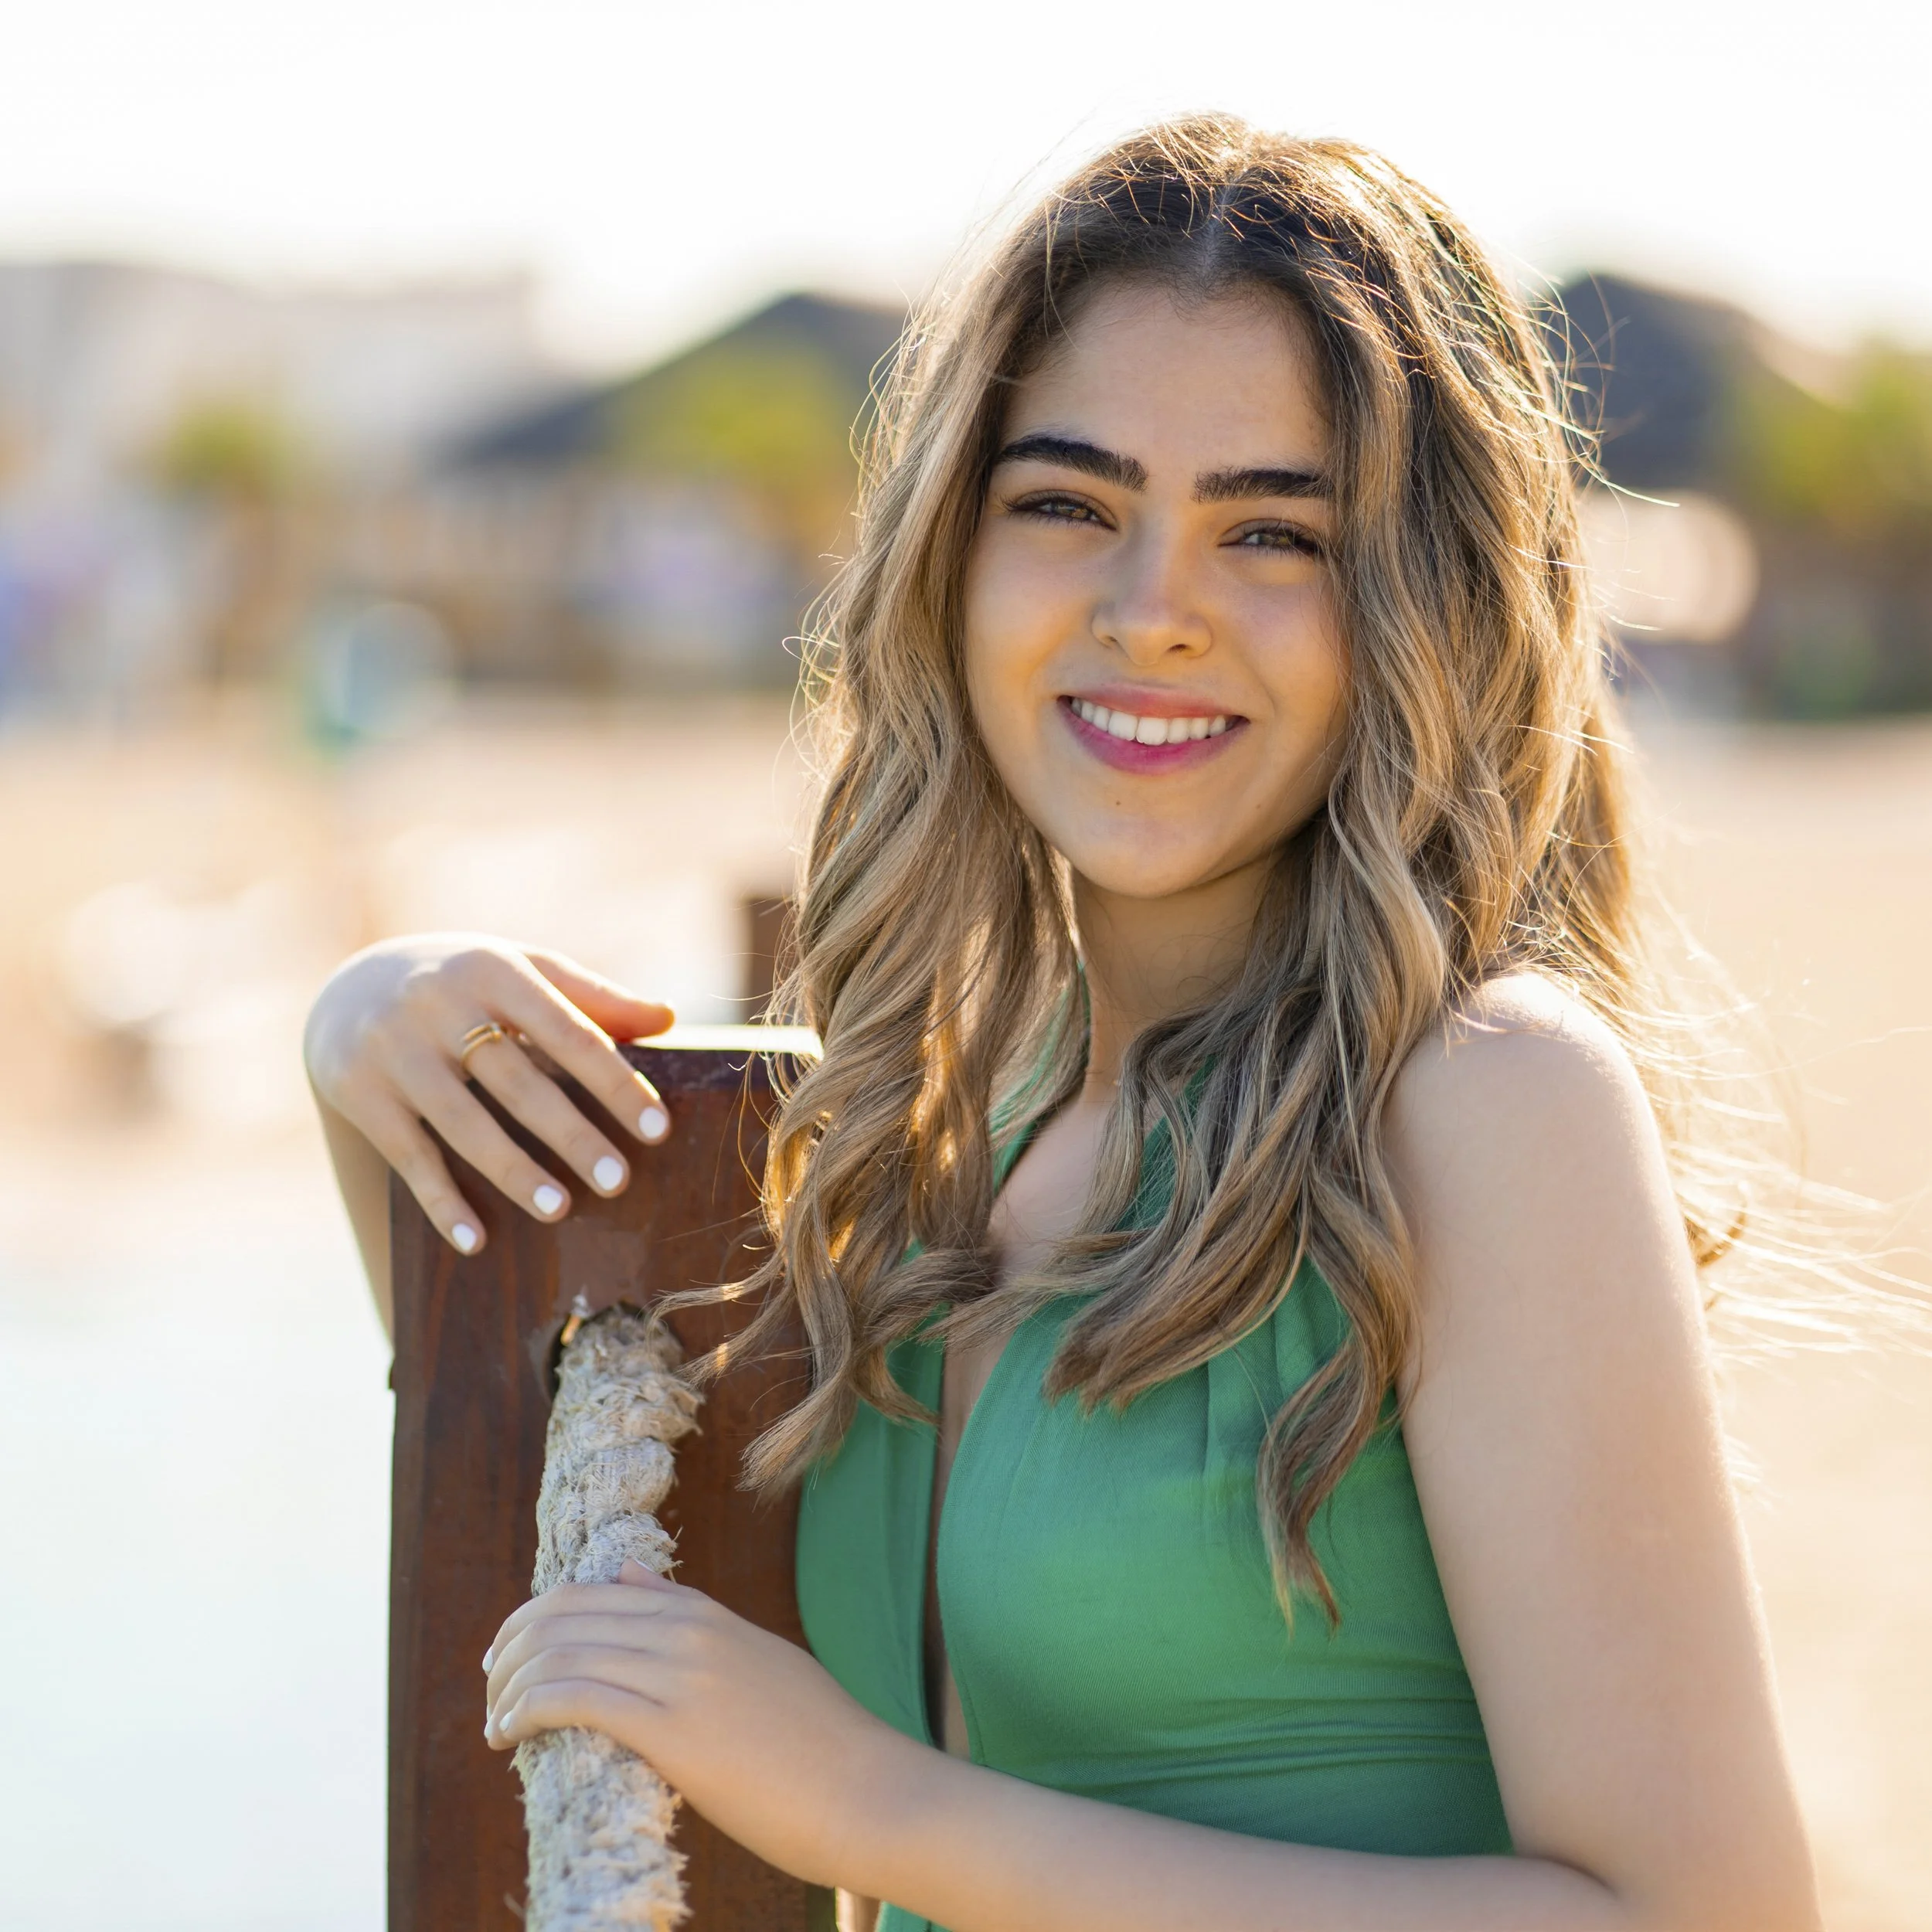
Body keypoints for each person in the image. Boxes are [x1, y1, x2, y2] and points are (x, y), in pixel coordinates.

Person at [304, 117, 1822, 1931]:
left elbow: (1700, 1918)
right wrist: (366, 1035)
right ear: (950, 552)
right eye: (1067, 503)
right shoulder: (924, 1133)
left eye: (1272, 531)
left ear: (1413, 602)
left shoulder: (1485, 1103)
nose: (1150, 610)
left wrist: (881, 1808)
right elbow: (549, 1467)